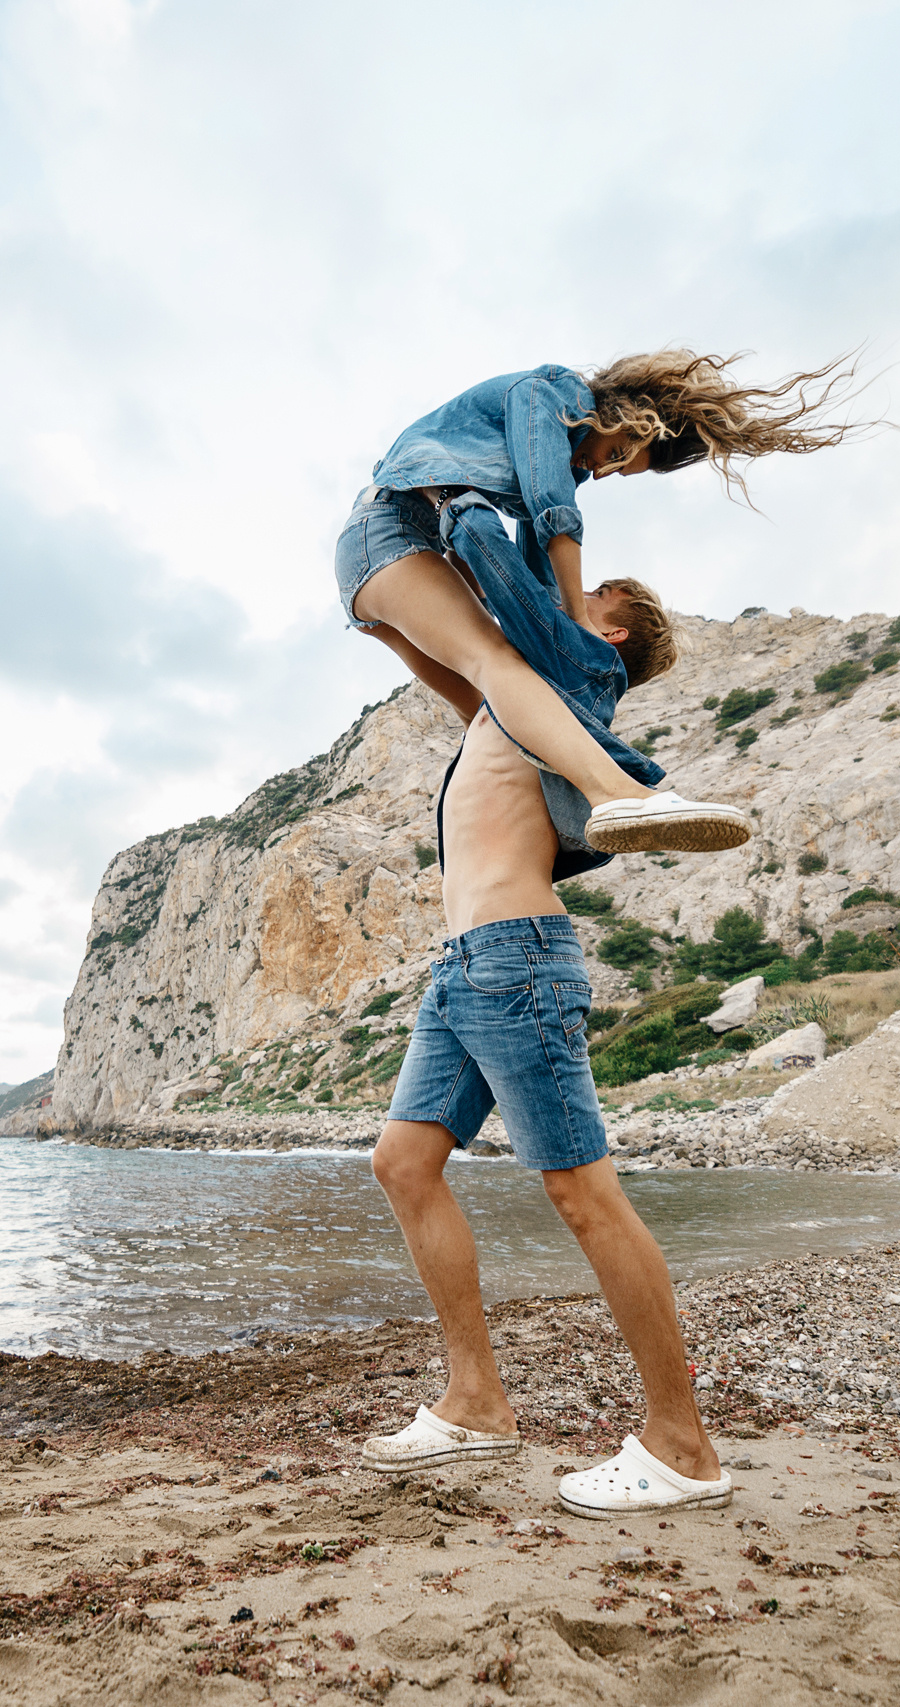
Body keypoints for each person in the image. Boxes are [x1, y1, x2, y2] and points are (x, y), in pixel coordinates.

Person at [354, 569, 733, 1519]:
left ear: (609, 639)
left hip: (517, 957)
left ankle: (682, 1445)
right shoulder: (511, 696)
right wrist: (391, 623)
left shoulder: (570, 691)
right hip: (463, 966)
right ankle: (476, 1400)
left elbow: (492, 652)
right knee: (403, 1163)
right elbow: (456, 662)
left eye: (592, 597)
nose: (566, 596)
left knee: (581, 1190)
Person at [334, 347, 862, 855]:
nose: (602, 470)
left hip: (386, 554)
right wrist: (579, 620)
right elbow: (549, 506)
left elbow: (533, 565)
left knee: (490, 713)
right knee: (495, 661)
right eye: (615, 454)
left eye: (617, 471)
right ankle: (615, 791)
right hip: (390, 531)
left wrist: (551, 622)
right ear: (627, 413)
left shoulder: (570, 457)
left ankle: (544, 826)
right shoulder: (552, 393)